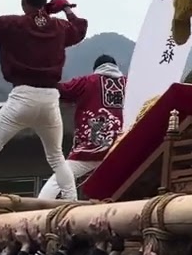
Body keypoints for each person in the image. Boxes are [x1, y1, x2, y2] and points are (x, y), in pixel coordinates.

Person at [0, 0, 87, 215]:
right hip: (50, 99)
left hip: (22, 97)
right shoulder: (58, 27)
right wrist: (67, 8)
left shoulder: (13, 24)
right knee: (57, 157)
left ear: (23, 0)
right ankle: (73, 203)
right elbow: (78, 29)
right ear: (45, 0)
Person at [37, 54, 126, 199]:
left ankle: (38, 208)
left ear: (96, 69)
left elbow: (60, 90)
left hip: (90, 149)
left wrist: (41, 75)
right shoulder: (129, 84)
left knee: (60, 178)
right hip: (119, 149)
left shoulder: (87, 82)